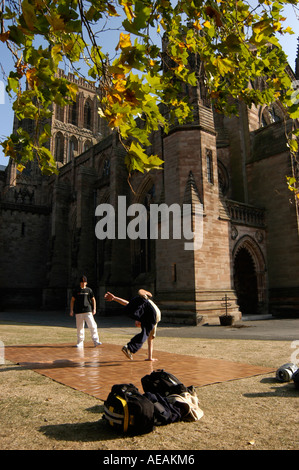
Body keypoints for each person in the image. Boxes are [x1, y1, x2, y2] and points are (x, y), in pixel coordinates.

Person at [104, 289, 161, 361]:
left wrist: (115, 298)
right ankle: (129, 348)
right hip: (151, 313)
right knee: (145, 334)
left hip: (150, 313)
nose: (137, 324)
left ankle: (130, 348)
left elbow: (127, 303)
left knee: (145, 333)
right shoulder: (147, 309)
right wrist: (115, 298)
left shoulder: (145, 310)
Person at [70, 275, 102, 348]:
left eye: (84, 282)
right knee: (80, 327)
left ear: (86, 283)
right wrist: (71, 310)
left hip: (88, 311)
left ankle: (96, 341)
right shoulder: (76, 290)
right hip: (79, 311)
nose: (83, 283)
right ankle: (80, 342)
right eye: (82, 282)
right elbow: (72, 300)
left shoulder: (89, 290)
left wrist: (94, 309)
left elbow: (93, 299)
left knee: (93, 326)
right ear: (80, 283)